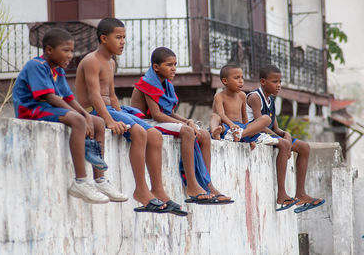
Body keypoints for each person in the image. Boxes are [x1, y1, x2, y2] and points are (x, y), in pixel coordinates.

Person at [75, 18, 187, 216]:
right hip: (93, 111)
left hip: (111, 110)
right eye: (118, 37)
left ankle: (158, 189)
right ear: (103, 38)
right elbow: (94, 95)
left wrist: (119, 114)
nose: (122, 42)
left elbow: (112, 95)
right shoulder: (91, 61)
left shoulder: (110, 62)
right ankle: (141, 191)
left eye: (124, 38)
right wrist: (109, 120)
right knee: (138, 132)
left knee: (154, 135)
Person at [12, 28, 121, 204]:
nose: (70, 55)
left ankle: (100, 179)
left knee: (98, 122)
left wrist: (86, 114)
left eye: (72, 50)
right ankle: (80, 181)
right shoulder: (37, 66)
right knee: (77, 120)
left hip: (49, 109)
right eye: (66, 50)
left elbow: (69, 98)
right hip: (32, 110)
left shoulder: (58, 70)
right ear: (49, 50)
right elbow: (50, 97)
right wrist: (81, 117)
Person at [131, 47, 232, 205]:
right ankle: (191, 185)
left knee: (204, 134)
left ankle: (207, 185)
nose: (173, 69)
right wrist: (185, 126)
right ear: (156, 67)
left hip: (158, 120)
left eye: (175, 64)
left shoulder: (166, 84)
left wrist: (187, 121)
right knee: (187, 132)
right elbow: (157, 115)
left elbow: (169, 113)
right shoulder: (148, 83)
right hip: (144, 122)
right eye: (169, 65)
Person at [246, 64, 325, 213]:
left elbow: (276, 128)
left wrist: (286, 135)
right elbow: (259, 125)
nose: (279, 85)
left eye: (280, 82)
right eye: (275, 82)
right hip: (254, 134)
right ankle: (281, 194)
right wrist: (285, 141)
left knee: (304, 147)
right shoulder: (255, 97)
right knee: (283, 145)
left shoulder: (272, 100)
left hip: (267, 134)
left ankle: (300, 194)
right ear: (263, 82)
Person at [209, 64, 275, 150]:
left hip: (239, 129)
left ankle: (240, 135)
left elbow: (244, 116)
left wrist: (249, 136)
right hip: (224, 126)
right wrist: (231, 125)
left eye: (242, 78)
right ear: (225, 81)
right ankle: (215, 132)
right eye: (237, 78)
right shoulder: (219, 96)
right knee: (215, 116)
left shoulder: (242, 95)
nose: (241, 81)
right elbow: (221, 114)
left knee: (266, 119)